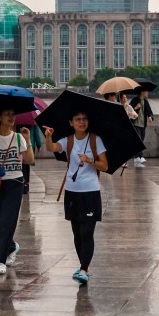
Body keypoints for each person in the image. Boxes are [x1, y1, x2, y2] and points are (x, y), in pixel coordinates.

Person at [42, 111, 108, 285]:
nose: (81, 122)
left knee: (87, 232)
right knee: (77, 233)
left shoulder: (95, 140)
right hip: (72, 192)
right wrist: (48, 136)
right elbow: (51, 148)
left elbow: (105, 165)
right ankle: (82, 267)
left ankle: (84, 268)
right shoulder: (68, 140)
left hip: (90, 191)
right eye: (78, 119)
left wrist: (90, 160)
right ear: (71, 123)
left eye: (84, 119)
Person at [0, 108, 34, 275]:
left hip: (14, 183)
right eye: (7, 114)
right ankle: (11, 246)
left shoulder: (18, 137)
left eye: (13, 114)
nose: (12, 117)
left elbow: (30, 160)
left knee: (7, 221)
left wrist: (28, 140)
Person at [129, 89, 154, 166]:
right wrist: (136, 107)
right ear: (142, 92)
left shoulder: (145, 101)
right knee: (139, 141)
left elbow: (150, 112)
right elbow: (129, 110)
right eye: (146, 91)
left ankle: (136, 157)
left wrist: (150, 117)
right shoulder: (135, 99)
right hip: (135, 123)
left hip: (143, 124)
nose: (148, 93)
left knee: (141, 141)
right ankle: (140, 156)